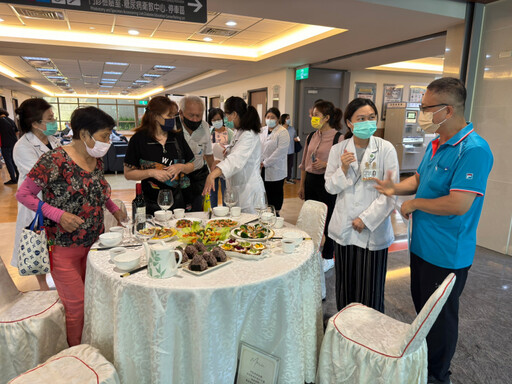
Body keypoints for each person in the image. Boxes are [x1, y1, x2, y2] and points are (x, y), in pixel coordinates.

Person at [374, 77, 493, 384]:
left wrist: (415, 205)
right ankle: (423, 364)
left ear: (448, 110)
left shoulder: (474, 150)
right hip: (422, 246)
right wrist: (395, 188)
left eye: (427, 108)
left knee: (441, 319)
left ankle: (438, 375)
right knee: (424, 312)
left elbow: (458, 203)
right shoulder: (437, 143)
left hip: (447, 253)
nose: (423, 114)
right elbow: (419, 178)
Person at [16, 106, 127, 346]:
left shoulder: (95, 161)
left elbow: (97, 192)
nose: (108, 142)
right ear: (85, 134)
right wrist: (57, 214)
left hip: (96, 246)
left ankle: (94, 346)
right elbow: (24, 194)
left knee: (95, 300)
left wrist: (113, 208)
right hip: (64, 247)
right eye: (104, 136)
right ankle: (77, 355)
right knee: (76, 306)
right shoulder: (54, 160)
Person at [325, 98, 399, 312]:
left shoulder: (385, 149)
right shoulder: (338, 150)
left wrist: (366, 219)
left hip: (372, 231)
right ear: (349, 123)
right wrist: (343, 170)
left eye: (371, 117)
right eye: (361, 118)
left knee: (371, 291)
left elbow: (390, 191)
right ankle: (345, 332)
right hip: (345, 227)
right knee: (345, 288)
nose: (368, 122)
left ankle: (368, 337)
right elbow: (330, 187)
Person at [11, 98, 61, 290]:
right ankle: (43, 287)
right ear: (35, 123)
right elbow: (41, 174)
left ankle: (57, 280)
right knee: (37, 242)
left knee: (53, 243)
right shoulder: (23, 146)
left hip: (56, 200)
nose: (54, 121)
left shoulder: (54, 141)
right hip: (35, 202)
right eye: (50, 118)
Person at [124, 96, 195, 214]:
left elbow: (191, 165)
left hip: (178, 202)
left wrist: (181, 167)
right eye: (169, 116)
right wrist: (151, 172)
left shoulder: (177, 137)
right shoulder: (139, 140)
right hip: (150, 203)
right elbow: (128, 173)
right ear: (155, 116)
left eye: (174, 116)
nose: (172, 119)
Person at [298, 100, 344, 272]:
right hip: (310, 181)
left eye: (316, 115)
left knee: (328, 221)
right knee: (311, 218)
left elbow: (344, 166)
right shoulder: (311, 136)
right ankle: (309, 253)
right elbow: (303, 164)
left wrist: (326, 164)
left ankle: (328, 256)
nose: (312, 117)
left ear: (326, 118)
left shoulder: (339, 138)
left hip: (328, 183)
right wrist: (302, 186)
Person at [202, 96, 265, 213]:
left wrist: (213, 175)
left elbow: (236, 160)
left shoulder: (249, 135)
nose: (226, 119)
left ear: (234, 114)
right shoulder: (239, 133)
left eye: (226, 115)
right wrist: (220, 163)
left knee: (250, 227)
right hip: (238, 189)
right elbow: (233, 156)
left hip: (249, 191)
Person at [177, 96, 214, 211]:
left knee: (198, 212)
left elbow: (208, 154)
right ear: (181, 113)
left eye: (198, 115)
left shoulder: (204, 127)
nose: (194, 119)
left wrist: (213, 174)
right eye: (191, 115)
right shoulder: (173, 127)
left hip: (198, 177)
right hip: (178, 177)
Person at [260, 107, 290, 215]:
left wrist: (266, 163)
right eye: (267, 117)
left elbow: (280, 151)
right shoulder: (262, 130)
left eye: (272, 117)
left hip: (275, 169)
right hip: (261, 168)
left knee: (275, 192)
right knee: (263, 192)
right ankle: (264, 213)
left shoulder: (283, 132)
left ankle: (276, 213)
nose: (269, 119)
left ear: (278, 119)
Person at [207, 107, 234, 208]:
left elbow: (233, 149)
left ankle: (225, 210)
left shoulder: (230, 133)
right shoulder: (209, 132)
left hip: (225, 165)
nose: (216, 122)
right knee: (212, 190)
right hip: (211, 165)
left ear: (222, 119)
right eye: (214, 120)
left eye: (218, 119)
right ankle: (213, 210)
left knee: (225, 189)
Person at [0, 108, 19, 184]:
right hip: (14, 143)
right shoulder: (11, 120)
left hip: (5, 144)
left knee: (8, 162)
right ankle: (18, 176)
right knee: (14, 160)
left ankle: (13, 179)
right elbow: (17, 132)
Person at [280, 113, 299, 184]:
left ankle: (288, 178)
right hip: (282, 151)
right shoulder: (280, 129)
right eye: (287, 118)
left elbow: (296, 137)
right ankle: (281, 178)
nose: (289, 120)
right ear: (284, 120)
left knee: (290, 165)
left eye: (289, 118)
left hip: (291, 150)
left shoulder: (292, 129)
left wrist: (298, 139)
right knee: (282, 165)